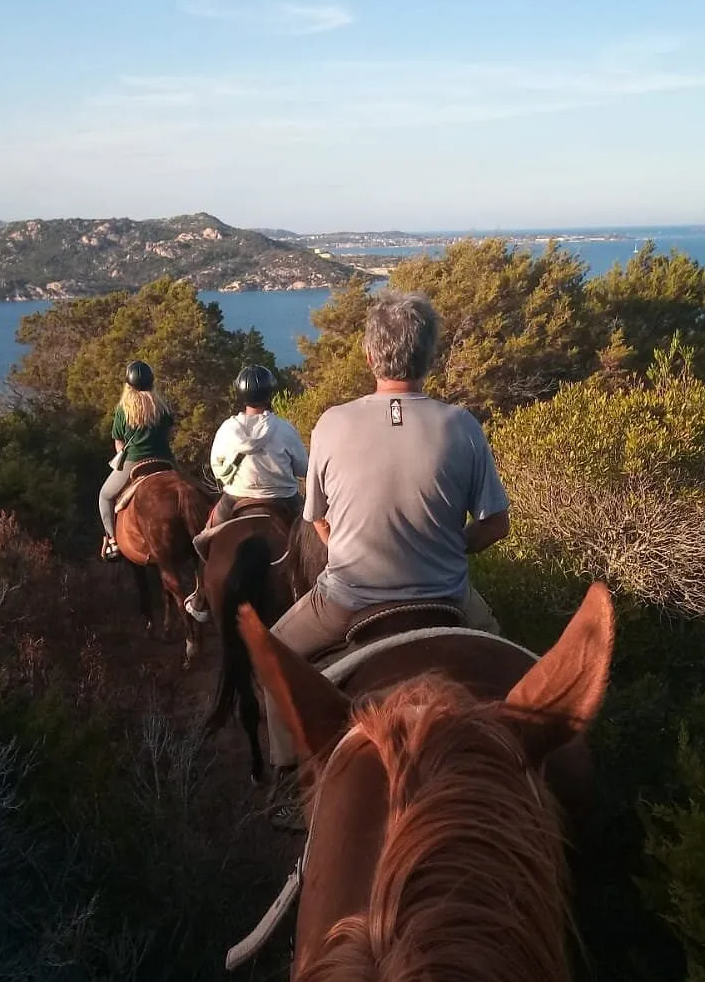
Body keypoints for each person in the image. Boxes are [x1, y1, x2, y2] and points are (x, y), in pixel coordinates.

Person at [265, 291, 509, 828]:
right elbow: (496, 525)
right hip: (447, 596)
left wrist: (351, 545)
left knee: (274, 655)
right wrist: (451, 545)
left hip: (348, 598)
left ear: (370, 357)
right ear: (428, 358)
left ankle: (288, 781)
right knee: (511, 666)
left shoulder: (330, 424)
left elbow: (318, 521)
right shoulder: (461, 425)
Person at [185, 364, 308, 619]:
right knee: (313, 537)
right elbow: (303, 468)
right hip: (284, 499)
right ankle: (314, 590)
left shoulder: (227, 430)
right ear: (270, 393)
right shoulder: (284, 429)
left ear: (240, 395)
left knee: (206, 539)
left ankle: (200, 598)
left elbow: (217, 468)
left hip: (236, 498)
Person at [98, 360, 175, 560]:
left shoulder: (124, 409)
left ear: (128, 386)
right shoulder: (163, 407)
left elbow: (119, 442)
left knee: (105, 496)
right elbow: (168, 435)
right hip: (165, 459)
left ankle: (113, 542)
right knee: (192, 488)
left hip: (134, 460)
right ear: (152, 383)